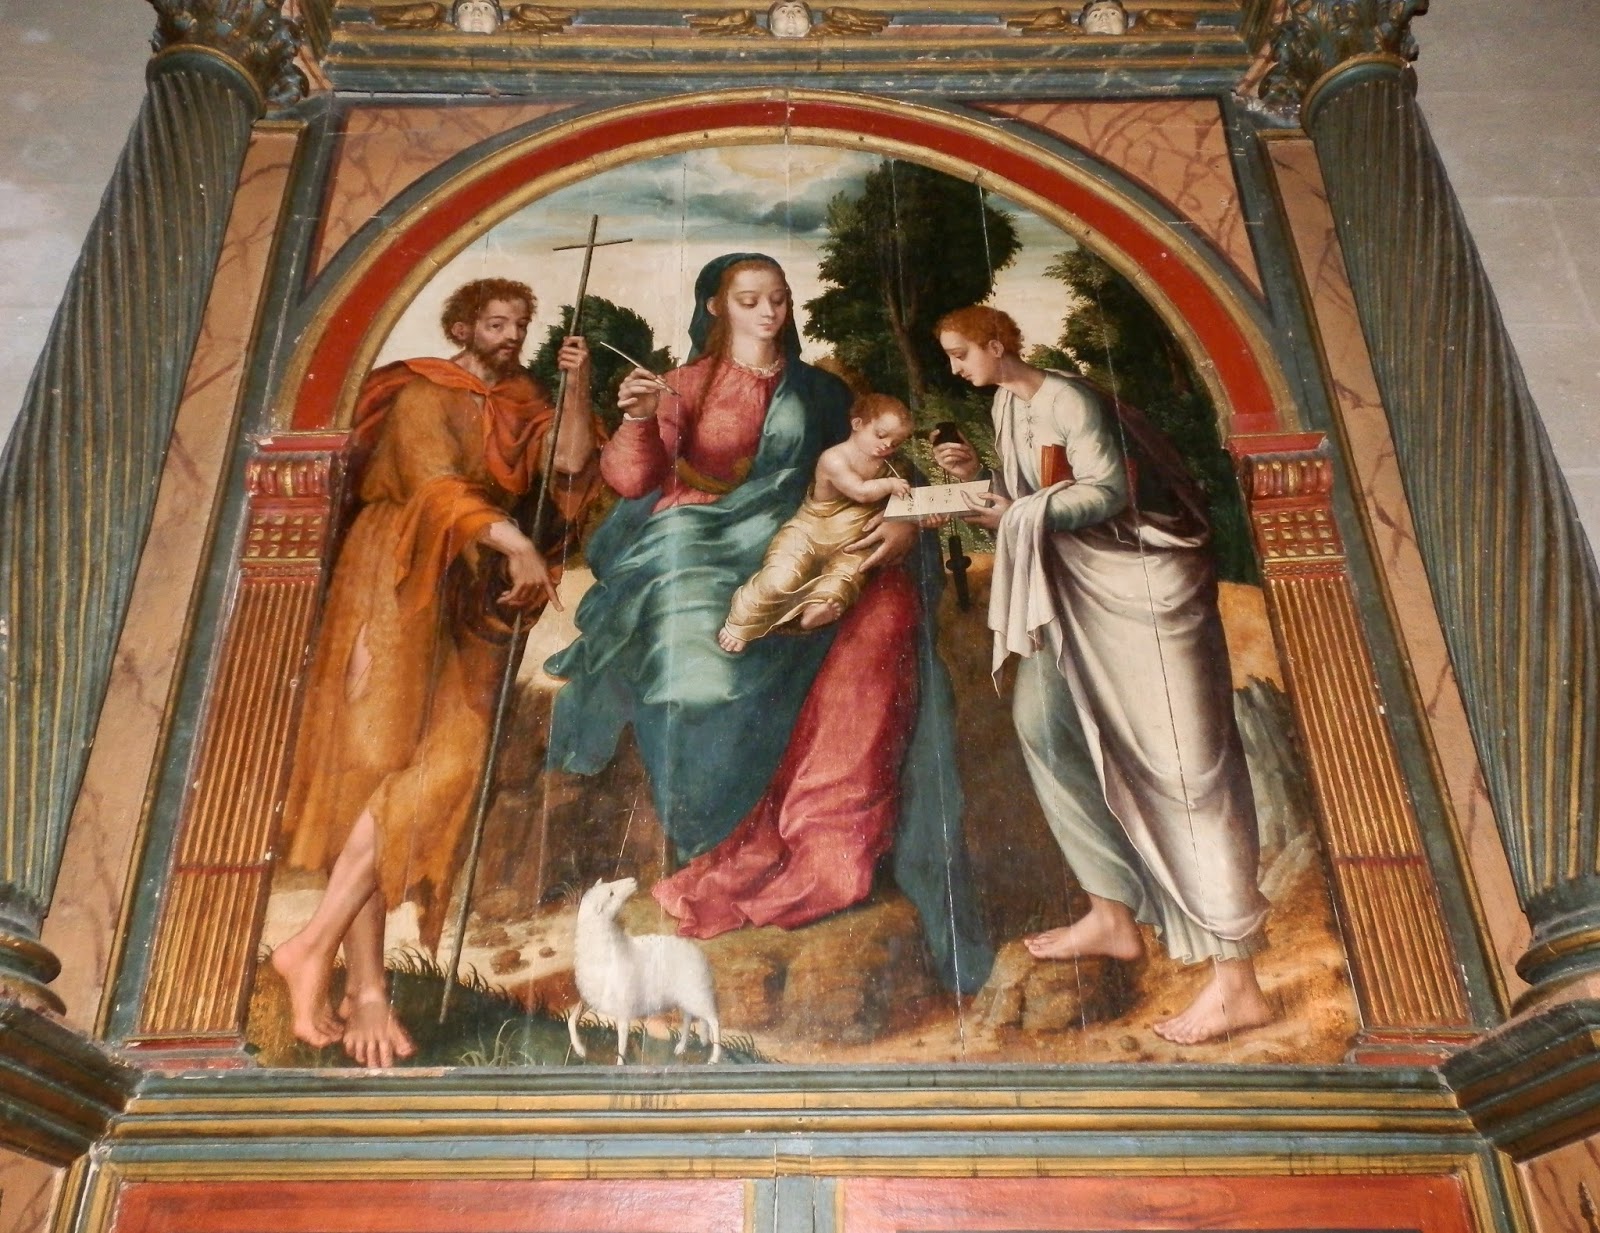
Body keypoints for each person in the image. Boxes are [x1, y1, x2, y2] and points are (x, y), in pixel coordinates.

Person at [545, 255, 991, 993]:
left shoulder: (823, 393)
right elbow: (631, 481)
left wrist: (903, 521)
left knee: (880, 623)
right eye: (749, 299)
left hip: (806, 547)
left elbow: (883, 471)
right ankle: (711, 850)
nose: (768, 312)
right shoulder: (683, 384)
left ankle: (822, 843)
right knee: (699, 687)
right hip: (695, 552)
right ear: (716, 307)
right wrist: (636, 418)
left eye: (778, 299)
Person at [272, 278, 599, 1066]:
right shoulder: (423, 391)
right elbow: (432, 485)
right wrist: (513, 543)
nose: (511, 335)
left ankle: (313, 945)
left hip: (465, 588)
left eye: (520, 323)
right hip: (390, 573)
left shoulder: (522, 402)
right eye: (496, 322)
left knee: (448, 763)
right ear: (461, 326)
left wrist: (579, 382)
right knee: (375, 763)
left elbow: (570, 463)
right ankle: (366, 987)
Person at [934, 304, 1272, 1045]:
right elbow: (1032, 492)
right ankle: (1111, 910)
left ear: (996, 343)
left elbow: (1107, 492)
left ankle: (1237, 982)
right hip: (1074, 595)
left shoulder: (1070, 400)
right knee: (1041, 725)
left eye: (961, 354)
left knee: (1183, 770)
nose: (955, 368)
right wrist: (977, 482)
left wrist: (1015, 515)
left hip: (1141, 593)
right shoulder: (1005, 405)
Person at [718, 393, 914, 654]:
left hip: (852, 542)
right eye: (881, 435)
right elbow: (861, 492)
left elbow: (903, 501)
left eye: (895, 442)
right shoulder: (834, 459)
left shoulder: (891, 465)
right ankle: (739, 623)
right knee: (779, 579)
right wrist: (890, 485)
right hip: (809, 534)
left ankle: (815, 610)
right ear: (857, 424)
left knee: (845, 577)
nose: (887, 445)